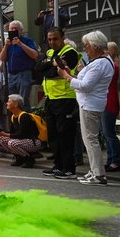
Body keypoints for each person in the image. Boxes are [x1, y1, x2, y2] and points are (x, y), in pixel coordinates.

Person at [58, 31, 115, 185]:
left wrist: (66, 76)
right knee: (89, 139)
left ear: (96, 46)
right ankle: (94, 171)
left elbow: (85, 86)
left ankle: (98, 174)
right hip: (91, 103)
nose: (85, 48)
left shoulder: (99, 63)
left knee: (90, 139)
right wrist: (72, 75)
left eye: (87, 45)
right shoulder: (102, 61)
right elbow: (84, 81)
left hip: (90, 104)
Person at [37, 27, 80, 179]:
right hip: (51, 99)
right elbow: (39, 69)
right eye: (49, 39)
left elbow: (53, 73)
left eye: (55, 39)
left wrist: (49, 67)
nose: (52, 42)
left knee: (65, 135)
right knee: (53, 135)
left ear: (62, 38)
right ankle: (58, 165)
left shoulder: (70, 53)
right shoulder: (49, 53)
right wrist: (51, 64)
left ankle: (69, 168)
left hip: (65, 99)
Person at [0, 20, 39, 111]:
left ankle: (25, 120)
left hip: (24, 74)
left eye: (15, 29)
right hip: (11, 75)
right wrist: (6, 46)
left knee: (23, 100)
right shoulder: (8, 43)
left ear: (21, 30)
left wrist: (20, 44)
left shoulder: (28, 41)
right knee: (12, 101)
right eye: (11, 29)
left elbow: (35, 55)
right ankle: (15, 122)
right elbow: (2, 58)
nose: (13, 30)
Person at [0, 94, 42, 168]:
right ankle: (19, 157)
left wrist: (4, 134)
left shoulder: (24, 116)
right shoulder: (13, 116)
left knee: (12, 143)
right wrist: (2, 133)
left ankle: (28, 158)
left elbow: (21, 134)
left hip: (34, 142)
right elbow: (12, 132)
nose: (7, 103)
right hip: (23, 140)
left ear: (16, 104)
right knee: (1, 139)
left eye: (9, 101)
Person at [102, 42, 120, 172]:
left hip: (109, 101)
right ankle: (111, 159)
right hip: (105, 101)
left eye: (107, 50)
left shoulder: (113, 66)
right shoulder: (110, 64)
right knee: (105, 133)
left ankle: (116, 160)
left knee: (109, 133)